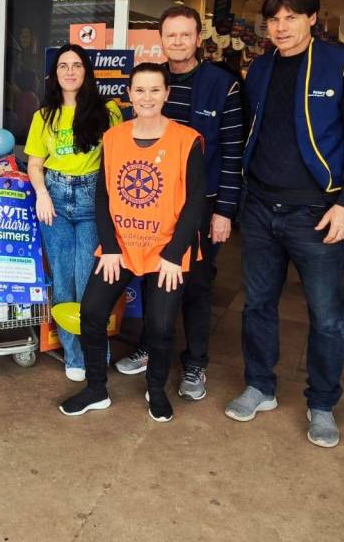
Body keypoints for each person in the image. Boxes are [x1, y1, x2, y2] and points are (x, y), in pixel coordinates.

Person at [225, 0, 344, 448]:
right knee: (257, 305)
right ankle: (260, 386)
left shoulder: (343, 65)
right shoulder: (260, 68)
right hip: (260, 207)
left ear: (313, 18)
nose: (281, 27)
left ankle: (323, 403)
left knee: (327, 316)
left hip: (318, 213)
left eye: (291, 17)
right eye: (274, 19)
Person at [59, 63, 206, 422]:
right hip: (121, 247)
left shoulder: (187, 140)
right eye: (140, 90)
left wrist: (174, 254)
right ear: (129, 95)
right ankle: (96, 389)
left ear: (167, 94)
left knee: (161, 326)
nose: (147, 97)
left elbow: (195, 202)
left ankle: (156, 389)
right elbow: (103, 196)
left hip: (166, 250)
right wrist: (110, 247)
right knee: (92, 312)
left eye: (155, 90)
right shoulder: (114, 138)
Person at [114, 6, 244, 401]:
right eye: (171, 35)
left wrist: (224, 211)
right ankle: (150, 349)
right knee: (153, 279)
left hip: (202, 208)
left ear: (199, 38)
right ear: (161, 39)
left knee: (197, 286)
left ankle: (195, 363)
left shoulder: (223, 85)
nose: (178, 42)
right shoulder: (152, 82)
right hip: (152, 207)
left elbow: (233, 152)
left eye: (186, 34)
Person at [26, 44, 123, 381]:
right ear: (55, 74)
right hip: (54, 199)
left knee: (88, 282)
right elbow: (35, 163)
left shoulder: (108, 111)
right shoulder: (44, 116)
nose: (70, 71)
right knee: (63, 281)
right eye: (63, 65)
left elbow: (118, 160)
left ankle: (95, 352)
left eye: (77, 65)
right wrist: (41, 194)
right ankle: (74, 355)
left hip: (93, 200)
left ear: (87, 72)